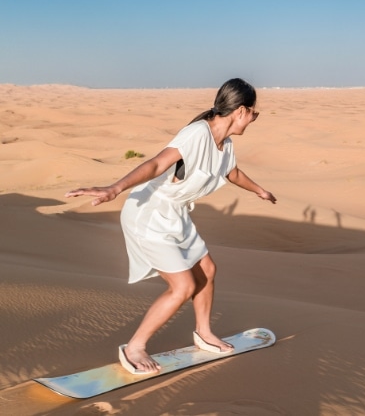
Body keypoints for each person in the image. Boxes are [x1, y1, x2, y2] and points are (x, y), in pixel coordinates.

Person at [66, 78, 276, 374]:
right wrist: (114, 188)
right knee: (183, 287)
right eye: (254, 113)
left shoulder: (225, 144)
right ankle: (134, 347)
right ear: (241, 111)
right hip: (149, 215)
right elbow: (156, 164)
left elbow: (233, 173)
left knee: (207, 270)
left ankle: (204, 332)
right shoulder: (197, 134)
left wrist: (259, 190)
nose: (254, 119)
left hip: (175, 214)